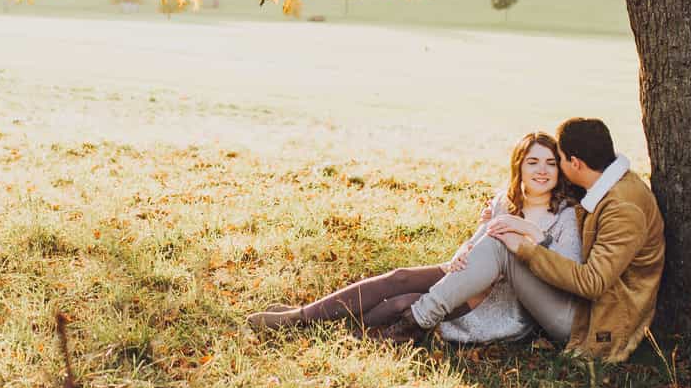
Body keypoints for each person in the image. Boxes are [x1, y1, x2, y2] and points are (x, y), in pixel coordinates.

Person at [246, 132, 583, 343]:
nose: (542, 171)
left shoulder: (565, 215)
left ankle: (336, 335)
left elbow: (565, 271)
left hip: (498, 307)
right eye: (533, 162)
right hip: (465, 283)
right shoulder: (504, 201)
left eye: (551, 164)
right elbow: (480, 243)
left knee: (401, 303)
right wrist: (463, 251)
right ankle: (301, 318)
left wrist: (530, 231)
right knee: (401, 278)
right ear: (519, 167)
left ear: (559, 170)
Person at [382, 117, 664, 363]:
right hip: (581, 308)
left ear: (575, 163)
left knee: (503, 244)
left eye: (560, 160)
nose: (556, 169)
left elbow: (592, 283)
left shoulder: (623, 208)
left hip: (593, 323)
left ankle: (416, 321)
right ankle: (415, 319)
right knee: (498, 243)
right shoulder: (609, 185)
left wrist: (528, 247)